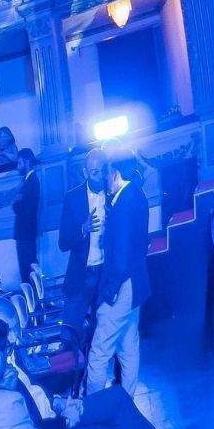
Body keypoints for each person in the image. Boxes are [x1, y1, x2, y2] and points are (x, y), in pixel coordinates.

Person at [89, 155, 150, 394]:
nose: (104, 180)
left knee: (99, 351)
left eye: (106, 174)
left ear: (114, 173)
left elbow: (121, 261)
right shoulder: (136, 194)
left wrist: (108, 294)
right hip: (135, 285)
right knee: (128, 346)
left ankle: (91, 410)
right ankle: (127, 402)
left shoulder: (124, 202)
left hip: (121, 287)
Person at [58, 149, 111, 334]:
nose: (100, 177)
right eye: (94, 172)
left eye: (103, 171)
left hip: (107, 273)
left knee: (104, 333)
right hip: (81, 274)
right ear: (85, 173)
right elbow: (63, 243)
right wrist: (82, 229)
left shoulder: (115, 193)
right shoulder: (72, 198)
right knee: (70, 334)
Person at [12, 149, 42, 279]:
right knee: (27, 267)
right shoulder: (28, 180)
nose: (17, 167)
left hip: (26, 232)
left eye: (19, 163)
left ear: (27, 162)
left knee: (27, 269)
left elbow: (24, 208)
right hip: (26, 232)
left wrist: (16, 202)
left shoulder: (31, 181)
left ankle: (32, 297)